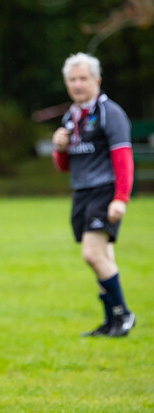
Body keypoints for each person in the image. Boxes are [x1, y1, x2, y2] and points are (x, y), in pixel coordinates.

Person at [51, 53, 135, 338]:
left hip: (104, 191)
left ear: (97, 80)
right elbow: (65, 166)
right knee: (103, 256)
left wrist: (120, 198)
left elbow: (123, 158)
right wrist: (59, 148)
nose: (77, 84)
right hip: (81, 193)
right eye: (72, 79)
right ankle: (110, 322)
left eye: (83, 78)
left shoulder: (110, 113)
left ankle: (124, 313)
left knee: (92, 254)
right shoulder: (69, 117)